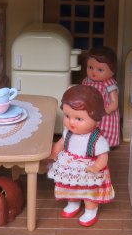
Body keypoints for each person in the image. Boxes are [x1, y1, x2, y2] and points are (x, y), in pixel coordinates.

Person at [47, 84, 115, 226]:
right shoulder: (68, 133)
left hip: (88, 170)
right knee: (70, 186)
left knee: (89, 192)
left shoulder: (96, 139)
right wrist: (54, 152)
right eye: (67, 116)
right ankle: (73, 203)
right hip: (70, 166)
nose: (71, 122)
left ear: (96, 118)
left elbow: (103, 157)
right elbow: (61, 143)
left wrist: (96, 167)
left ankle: (91, 210)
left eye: (78, 119)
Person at [81, 47, 120, 147]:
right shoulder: (87, 80)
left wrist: (107, 110)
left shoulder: (109, 84)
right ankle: (89, 143)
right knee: (88, 127)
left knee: (103, 129)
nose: (94, 72)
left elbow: (114, 102)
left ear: (112, 71)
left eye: (100, 70)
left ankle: (105, 144)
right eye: (90, 67)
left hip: (104, 113)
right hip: (89, 110)